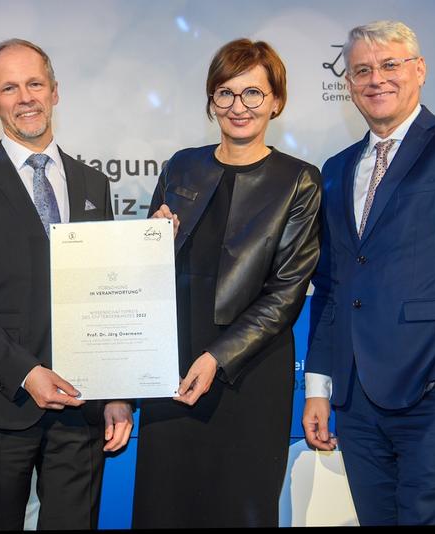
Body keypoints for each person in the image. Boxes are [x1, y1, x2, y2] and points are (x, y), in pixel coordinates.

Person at [303, 20, 435, 525]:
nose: (376, 79)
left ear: (419, 70)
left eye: (389, 65)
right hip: (356, 404)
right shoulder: (335, 168)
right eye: (362, 70)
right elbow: (332, 285)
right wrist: (319, 387)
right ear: (349, 84)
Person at [0, 38, 133, 531]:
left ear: (54, 91)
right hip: (0, 406)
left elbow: (104, 294)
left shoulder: (94, 183)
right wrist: (27, 372)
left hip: (81, 407)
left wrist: (115, 391)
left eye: (34, 83)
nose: (24, 97)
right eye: (9, 87)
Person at [132, 38, 322, 528]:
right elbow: (146, 273)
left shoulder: (299, 180)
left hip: (249, 371)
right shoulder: (181, 165)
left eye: (253, 94)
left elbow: (286, 293)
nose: (239, 107)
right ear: (211, 100)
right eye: (225, 93)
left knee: (240, 507)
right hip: (170, 368)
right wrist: (153, 241)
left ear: (276, 100)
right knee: (164, 505)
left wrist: (218, 357)